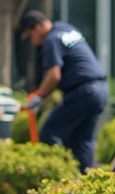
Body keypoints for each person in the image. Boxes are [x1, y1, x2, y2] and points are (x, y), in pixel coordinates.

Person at [18, 10, 108, 170]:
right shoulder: (66, 29)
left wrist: (39, 96)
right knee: (82, 141)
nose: (33, 42)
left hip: (83, 92)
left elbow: (54, 75)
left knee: (49, 133)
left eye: (31, 36)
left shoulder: (51, 40)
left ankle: (50, 177)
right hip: (99, 90)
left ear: (38, 27)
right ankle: (85, 184)